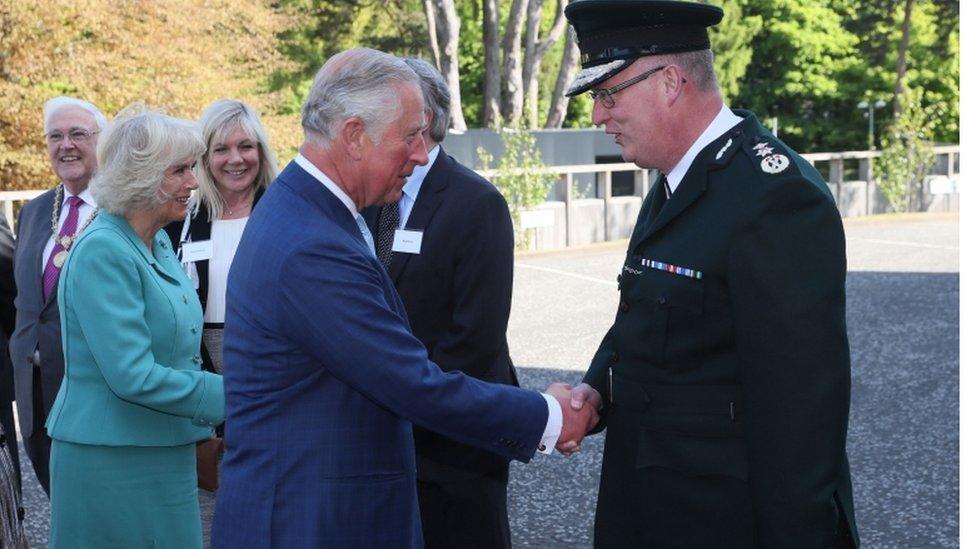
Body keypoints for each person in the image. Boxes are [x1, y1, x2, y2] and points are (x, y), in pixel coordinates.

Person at [212, 48, 596, 548]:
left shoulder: (314, 212)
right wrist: (549, 415)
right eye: (410, 135)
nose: (421, 154)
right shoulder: (312, 244)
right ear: (354, 135)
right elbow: (410, 382)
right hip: (310, 522)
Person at [559, 1, 860, 547]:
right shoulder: (678, 177)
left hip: (723, 519)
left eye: (608, 94)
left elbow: (801, 414)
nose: (598, 116)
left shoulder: (774, 197)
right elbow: (648, 308)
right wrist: (595, 388)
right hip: (652, 500)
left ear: (670, 82)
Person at [45, 105, 225, 548]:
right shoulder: (103, 250)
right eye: (180, 170)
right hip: (113, 464)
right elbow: (133, 376)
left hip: (161, 452)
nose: (193, 182)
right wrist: (240, 395)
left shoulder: (155, 237)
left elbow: (176, 350)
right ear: (142, 175)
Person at [363, 58, 519, 549]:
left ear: (422, 119)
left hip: (456, 444)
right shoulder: (365, 198)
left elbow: (476, 337)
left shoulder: (477, 204)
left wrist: (405, 402)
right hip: (387, 440)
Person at [162, 100, 278, 546]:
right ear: (204, 157)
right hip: (201, 369)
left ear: (262, 151)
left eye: (246, 146)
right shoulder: (183, 222)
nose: (236, 159)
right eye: (222, 148)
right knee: (212, 499)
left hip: (270, 371)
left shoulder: (282, 211)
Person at [10, 96, 105, 496]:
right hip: (33, 389)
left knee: (99, 506)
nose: (66, 145)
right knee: (60, 508)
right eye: (55, 136)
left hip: (93, 388)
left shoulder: (124, 208)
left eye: (78, 134)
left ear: (102, 140)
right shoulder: (33, 211)